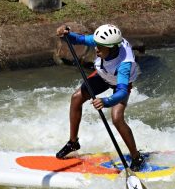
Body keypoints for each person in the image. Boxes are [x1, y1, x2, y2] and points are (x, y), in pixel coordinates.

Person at [55, 23, 145, 171]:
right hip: (103, 75)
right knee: (76, 97)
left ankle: (136, 156)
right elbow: (79, 39)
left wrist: (106, 101)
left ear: (111, 48)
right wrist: (65, 34)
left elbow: (122, 92)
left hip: (119, 84)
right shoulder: (105, 41)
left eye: (100, 47)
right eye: (96, 45)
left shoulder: (124, 65)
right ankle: (73, 142)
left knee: (117, 118)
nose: (96, 49)